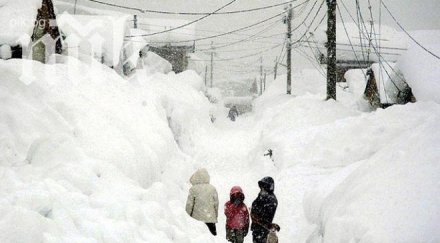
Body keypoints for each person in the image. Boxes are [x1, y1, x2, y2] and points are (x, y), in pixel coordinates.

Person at [185, 168, 219, 236]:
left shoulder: (193, 189)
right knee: (212, 239)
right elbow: (216, 205)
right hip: (210, 220)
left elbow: (189, 206)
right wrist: (215, 216)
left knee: (198, 238)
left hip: (196, 220)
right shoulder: (212, 189)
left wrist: (188, 218)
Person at [250, 177, 278, 243]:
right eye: (262, 187)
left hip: (263, 230)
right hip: (257, 229)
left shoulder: (271, 199)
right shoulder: (262, 195)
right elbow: (254, 205)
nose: (262, 189)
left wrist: (255, 214)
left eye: (264, 186)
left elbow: (264, 214)